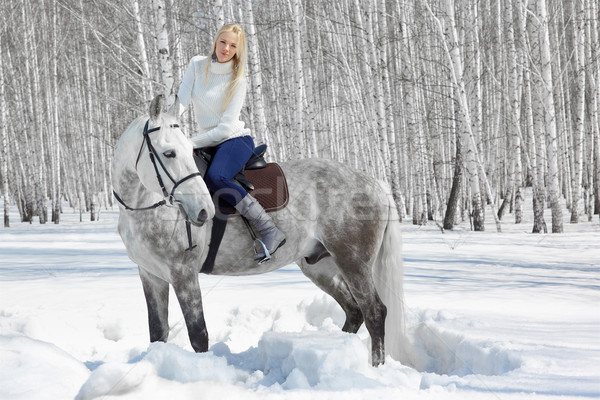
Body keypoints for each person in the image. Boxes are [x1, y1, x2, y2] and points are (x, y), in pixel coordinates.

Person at [174, 23, 285, 262]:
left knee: (216, 177)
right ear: (215, 40)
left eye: (233, 45)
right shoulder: (196, 65)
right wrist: (167, 125)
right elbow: (181, 102)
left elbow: (224, 128)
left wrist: (189, 142)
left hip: (234, 139)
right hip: (208, 142)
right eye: (223, 42)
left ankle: (269, 230)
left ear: (238, 50)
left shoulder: (238, 80)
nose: (226, 48)